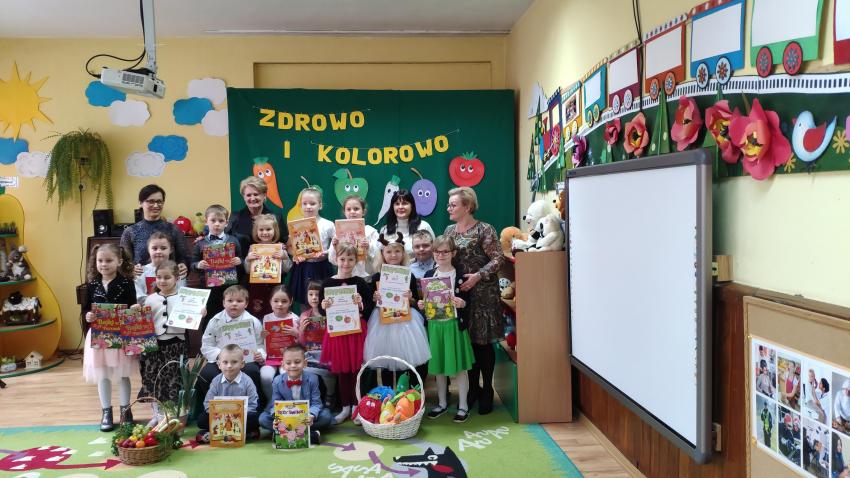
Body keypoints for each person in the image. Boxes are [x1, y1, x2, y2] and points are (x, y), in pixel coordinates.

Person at [443, 186, 505, 415]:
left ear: (467, 206)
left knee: (483, 343)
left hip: (483, 296)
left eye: (453, 205)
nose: (448, 208)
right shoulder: (449, 231)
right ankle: (472, 389)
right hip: (461, 296)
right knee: (467, 343)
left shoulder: (484, 229)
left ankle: (487, 388)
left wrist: (478, 276)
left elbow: (498, 259)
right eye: (449, 204)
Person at [82, 243, 138, 432]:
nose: (104, 264)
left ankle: (125, 411)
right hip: (99, 337)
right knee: (102, 374)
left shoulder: (126, 283)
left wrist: (134, 309)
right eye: (100, 260)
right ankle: (106, 411)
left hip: (120, 337)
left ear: (119, 261)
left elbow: (132, 306)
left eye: (108, 260)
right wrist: (88, 316)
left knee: (122, 374)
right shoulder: (92, 285)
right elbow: (86, 309)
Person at [418, 235, 474, 423]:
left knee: (460, 368)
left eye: (445, 252)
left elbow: (469, 302)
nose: (440, 255)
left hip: (454, 326)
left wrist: (462, 303)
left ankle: (463, 405)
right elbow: (426, 301)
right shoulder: (429, 275)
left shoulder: (461, 276)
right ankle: (442, 403)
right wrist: (422, 304)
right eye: (437, 251)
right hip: (435, 327)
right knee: (438, 367)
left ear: (453, 253)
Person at [364, 233, 430, 386]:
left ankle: (402, 393)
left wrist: (410, 297)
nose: (393, 255)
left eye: (397, 251)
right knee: (386, 361)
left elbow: (415, 302)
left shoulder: (409, 275)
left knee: (403, 359)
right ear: (382, 254)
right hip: (383, 322)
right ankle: (387, 394)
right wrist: (374, 297)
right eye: (389, 251)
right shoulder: (376, 277)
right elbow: (371, 302)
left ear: (403, 253)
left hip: (405, 321)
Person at [319, 244, 375, 424]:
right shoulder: (327, 283)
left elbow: (369, 306)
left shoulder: (360, 282)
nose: (346, 263)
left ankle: (357, 408)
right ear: (336, 259)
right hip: (337, 333)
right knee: (343, 371)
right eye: (342, 259)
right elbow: (321, 309)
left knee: (357, 370)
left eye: (350, 259)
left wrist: (360, 304)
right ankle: (345, 407)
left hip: (356, 332)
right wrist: (324, 306)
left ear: (356, 261)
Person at [139, 260, 191, 426]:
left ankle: (174, 414)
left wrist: (200, 312)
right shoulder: (150, 299)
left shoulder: (185, 298)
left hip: (176, 344)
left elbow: (192, 317)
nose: (162, 281)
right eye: (159, 277)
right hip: (155, 346)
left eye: (167, 277)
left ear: (177, 278)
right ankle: (158, 414)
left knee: (174, 380)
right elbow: (144, 322)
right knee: (155, 380)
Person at [197, 285, 265, 409]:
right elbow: (206, 345)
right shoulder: (214, 321)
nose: (234, 304)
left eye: (239, 301)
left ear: (246, 304)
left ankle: (252, 408)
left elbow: (260, 344)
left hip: (245, 360)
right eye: (230, 300)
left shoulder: (253, 321)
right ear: (223, 303)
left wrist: (260, 354)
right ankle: (213, 408)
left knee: (252, 371)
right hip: (220, 360)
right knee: (206, 373)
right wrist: (221, 356)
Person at [259, 344, 333, 445]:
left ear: (305, 363)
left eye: (297, 362)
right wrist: (277, 418)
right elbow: (275, 404)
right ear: (283, 365)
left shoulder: (313, 378)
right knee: (263, 419)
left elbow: (317, 403)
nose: (293, 365)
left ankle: (284, 434)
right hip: (286, 417)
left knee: (326, 417)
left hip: (305, 417)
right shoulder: (277, 381)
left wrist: (311, 415)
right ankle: (311, 435)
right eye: (288, 363)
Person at [195, 344, 260, 444]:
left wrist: (237, 416)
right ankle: (245, 434)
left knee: (256, 419)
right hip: (220, 418)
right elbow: (207, 403)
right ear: (219, 365)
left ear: (242, 364)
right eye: (225, 362)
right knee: (201, 420)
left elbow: (253, 404)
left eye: (234, 362)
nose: (229, 366)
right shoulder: (216, 381)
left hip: (240, 418)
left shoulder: (247, 381)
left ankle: (215, 434)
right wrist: (221, 415)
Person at [192, 205, 243, 329]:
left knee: (230, 316)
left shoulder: (233, 240)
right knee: (209, 317)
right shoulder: (200, 243)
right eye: (213, 220)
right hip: (208, 288)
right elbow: (192, 263)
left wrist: (239, 261)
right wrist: (198, 265)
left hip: (228, 287)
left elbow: (241, 258)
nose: (217, 224)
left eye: (221, 221)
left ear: (226, 223)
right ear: (206, 221)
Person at [121, 184, 189, 276]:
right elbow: (123, 261)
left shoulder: (173, 229)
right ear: (140, 203)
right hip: (140, 282)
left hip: (168, 280)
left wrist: (183, 265)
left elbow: (184, 257)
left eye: (159, 201)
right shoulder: (130, 232)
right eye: (151, 201)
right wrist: (131, 269)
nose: (156, 205)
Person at [289, 187, 335, 307]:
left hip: (322, 266)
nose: (308, 207)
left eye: (312, 203)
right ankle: (306, 317)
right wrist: (296, 256)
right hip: (303, 267)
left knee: (324, 299)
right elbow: (290, 247)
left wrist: (327, 253)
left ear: (320, 205)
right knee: (305, 300)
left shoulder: (328, 224)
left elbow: (337, 244)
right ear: (300, 206)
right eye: (304, 204)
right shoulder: (295, 225)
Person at [244, 214, 291, 318]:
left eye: (268, 229)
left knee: (276, 313)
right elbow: (247, 271)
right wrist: (248, 259)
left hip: (275, 288)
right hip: (257, 288)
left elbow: (287, 269)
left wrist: (284, 258)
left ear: (275, 230)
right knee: (258, 313)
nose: (265, 232)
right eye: (261, 230)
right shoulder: (253, 248)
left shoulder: (280, 248)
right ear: (256, 231)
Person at [227, 176, 288, 256]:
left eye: (256, 194)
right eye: (248, 195)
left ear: (264, 195)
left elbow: (285, 243)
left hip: (270, 262)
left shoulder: (276, 217)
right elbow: (226, 242)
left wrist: (282, 247)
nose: (252, 198)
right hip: (242, 263)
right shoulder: (235, 217)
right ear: (244, 197)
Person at [259, 285, 299, 403]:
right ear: (270, 302)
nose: (280, 304)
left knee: (287, 375)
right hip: (270, 357)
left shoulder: (295, 319)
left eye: (284, 301)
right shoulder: (266, 318)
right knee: (265, 376)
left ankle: (289, 402)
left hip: (289, 359)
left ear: (290, 302)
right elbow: (260, 343)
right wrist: (262, 337)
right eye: (276, 301)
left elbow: (302, 344)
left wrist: (297, 334)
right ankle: (272, 402)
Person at [299, 281, 336, 408]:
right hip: (311, 353)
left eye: (318, 294)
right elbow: (301, 343)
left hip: (328, 353)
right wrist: (302, 330)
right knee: (304, 370)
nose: (314, 297)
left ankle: (330, 394)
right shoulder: (304, 315)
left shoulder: (330, 313)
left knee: (328, 371)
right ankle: (309, 399)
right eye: (311, 294)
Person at [329, 195, 380, 278]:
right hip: (345, 276)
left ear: (363, 211)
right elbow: (332, 260)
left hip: (365, 276)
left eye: (356, 209)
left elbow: (378, 257)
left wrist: (369, 246)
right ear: (344, 212)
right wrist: (335, 247)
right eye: (348, 209)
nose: (352, 212)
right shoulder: (339, 233)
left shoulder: (371, 232)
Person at [380, 189, 435, 258]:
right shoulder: (385, 230)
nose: (400, 207)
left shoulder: (424, 226)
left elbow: (434, 251)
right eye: (397, 204)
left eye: (404, 203)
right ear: (392, 207)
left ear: (412, 206)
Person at [134, 231, 186, 304]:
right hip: (148, 308)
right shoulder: (140, 271)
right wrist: (157, 303)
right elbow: (139, 297)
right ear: (148, 250)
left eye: (163, 248)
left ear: (171, 249)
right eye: (154, 248)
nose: (158, 251)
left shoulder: (178, 270)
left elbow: (182, 295)